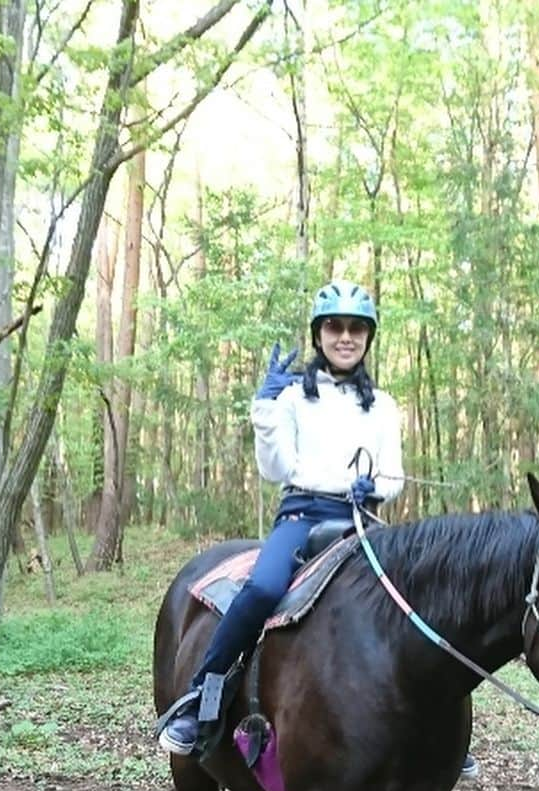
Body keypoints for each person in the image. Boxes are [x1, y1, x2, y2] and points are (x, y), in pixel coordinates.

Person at [158, 279, 403, 756]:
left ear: (369, 336)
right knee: (264, 588)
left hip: (362, 520)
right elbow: (274, 469)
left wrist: (375, 487)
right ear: (318, 335)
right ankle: (200, 699)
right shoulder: (293, 397)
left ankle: (432, 725)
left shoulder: (384, 406)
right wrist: (266, 410)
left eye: (356, 328)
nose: (345, 337)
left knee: (413, 598)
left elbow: (394, 475)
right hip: (303, 515)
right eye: (335, 327)